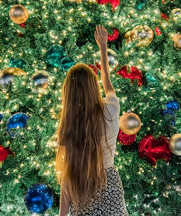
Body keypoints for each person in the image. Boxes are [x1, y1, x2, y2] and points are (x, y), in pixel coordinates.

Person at [55, 25, 129, 216]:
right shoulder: (110, 111)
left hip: (83, 192)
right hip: (110, 188)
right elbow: (107, 82)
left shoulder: (70, 125)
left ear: (68, 95)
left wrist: (62, 214)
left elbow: (66, 177)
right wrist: (103, 48)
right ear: (93, 88)